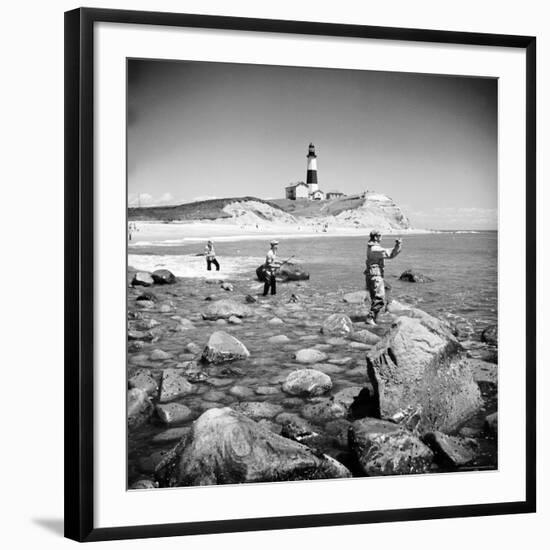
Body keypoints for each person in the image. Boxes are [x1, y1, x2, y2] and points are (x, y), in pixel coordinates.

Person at [365, 230, 402, 325]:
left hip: (371, 275)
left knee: (378, 296)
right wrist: (398, 245)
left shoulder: (371, 247)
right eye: (380, 235)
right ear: (376, 237)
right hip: (376, 276)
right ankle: (370, 318)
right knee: (380, 298)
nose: (381, 237)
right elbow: (390, 254)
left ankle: (374, 318)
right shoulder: (375, 249)